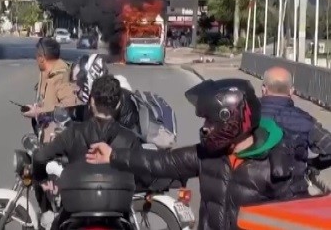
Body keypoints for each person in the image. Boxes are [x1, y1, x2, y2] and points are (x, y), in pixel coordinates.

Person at [85, 78, 308, 230]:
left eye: (210, 120)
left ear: (231, 119)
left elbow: (300, 220)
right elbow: (161, 162)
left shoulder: (279, 165)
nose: (204, 127)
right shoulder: (207, 154)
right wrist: (113, 155)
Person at [33, 74, 147, 230]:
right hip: (118, 214)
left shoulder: (73, 133)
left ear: (91, 101)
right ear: (119, 103)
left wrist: (42, 179)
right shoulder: (129, 138)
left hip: (74, 212)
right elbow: (143, 174)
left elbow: (40, 157)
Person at [261, 66, 331, 173]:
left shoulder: (245, 114)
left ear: (263, 89)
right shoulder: (305, 121)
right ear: (291, 91)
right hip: (292, 185)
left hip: (248, 185)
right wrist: (312, 164)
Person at [23, 38, 79, 142]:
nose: (36, 60)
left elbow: (68, 108)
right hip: (43, 132)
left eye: (36, 56)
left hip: (57, 140)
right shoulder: (46, 73)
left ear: (41, 58)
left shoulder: (61, 77)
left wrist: (39, 112)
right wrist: (36, 108)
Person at [69, 54, 140, 132]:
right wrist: (68, 112)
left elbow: (106, 133)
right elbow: (85, 113)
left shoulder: (115, 98)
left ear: (90, 78)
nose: (75, 89)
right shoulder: (99, 96)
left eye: (78, 83)